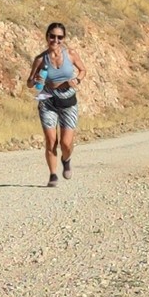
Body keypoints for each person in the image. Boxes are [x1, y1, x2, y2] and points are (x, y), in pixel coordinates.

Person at [26, 22, 88, 187]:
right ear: (47, 37)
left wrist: (77, 80)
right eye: (52, 36)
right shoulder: (40, 59)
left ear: (64, 38)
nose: (55, 40)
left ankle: (66, 160)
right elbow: (29, 83)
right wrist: (35, 80)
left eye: (59, 37)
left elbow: (83, 70)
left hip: (68, 100)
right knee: (51, 140)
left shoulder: (71, 54)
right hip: (47, 100)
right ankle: (53, 175)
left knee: (66, 143)